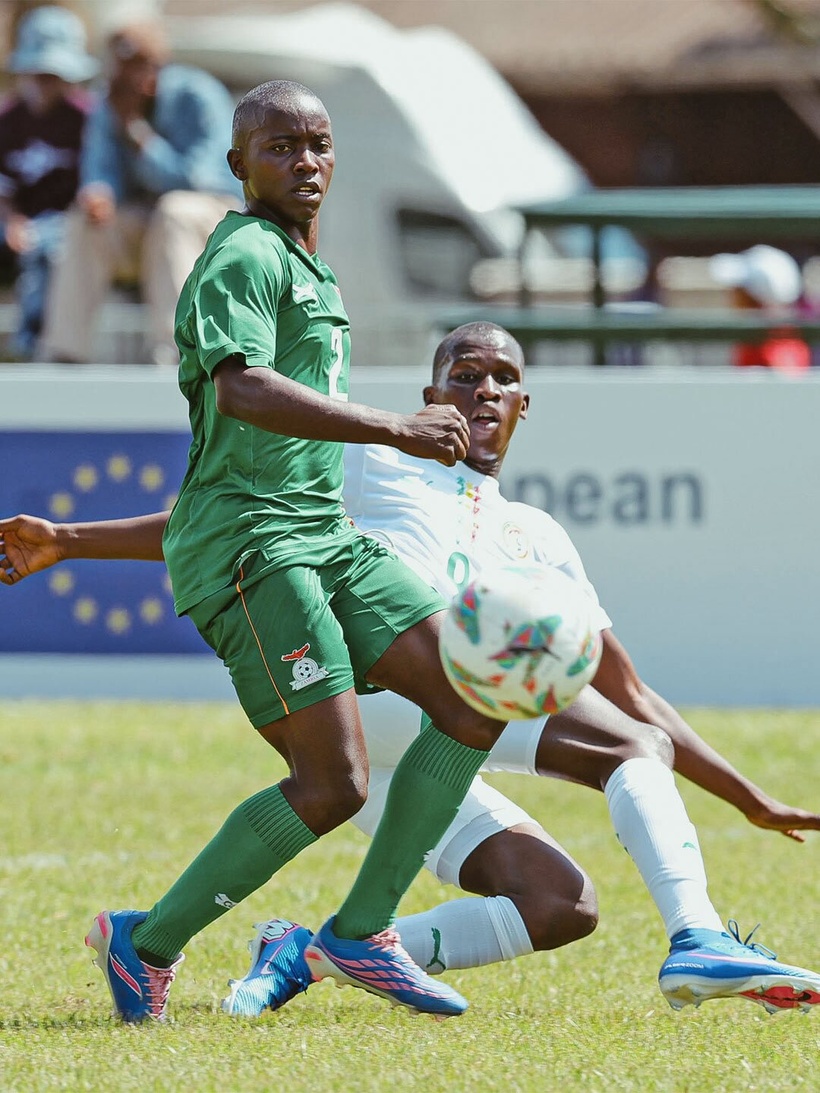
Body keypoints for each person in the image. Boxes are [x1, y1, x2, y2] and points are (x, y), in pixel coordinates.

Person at [4, 322, 820, 1020]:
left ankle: (309, 952)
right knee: (621, 748)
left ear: (526, 405)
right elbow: (219, 521)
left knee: (559, 904)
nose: (484, 391)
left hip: (421, 752)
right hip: (378, 696)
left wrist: (750, 799)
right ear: (432, 394)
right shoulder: (378, 460)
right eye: (464, 376)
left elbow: (633, 696)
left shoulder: (538, 535)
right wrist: (70, 540)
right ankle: (697, 937)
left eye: (504, 379)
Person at [11, 79, 528, 1026]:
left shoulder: (308, 266)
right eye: (282, 147)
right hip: (254, 549)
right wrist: (396, 428)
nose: (307, 163)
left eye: (319, 145)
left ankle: (361, 932)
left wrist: (70, 540)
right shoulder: (241, 253)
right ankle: (146, 941)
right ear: (236, 164)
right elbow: (243, 389)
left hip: (320, 536)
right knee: (334, 782)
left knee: (473, 693)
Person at [40, 19, 240, 366]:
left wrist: (137, 133)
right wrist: (99, 195)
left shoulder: (198, 95)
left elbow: (196, 178)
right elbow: (99, 170)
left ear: (157, 66)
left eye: (136, 66)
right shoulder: (109, 102)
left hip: (212, 220)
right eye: (121, 68)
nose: (126, 78)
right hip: (147, 223)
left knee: (174, 210)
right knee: (82, 222)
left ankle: (176, 354)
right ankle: (64, 354)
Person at [0, 6, 98, 360]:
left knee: (47, 248)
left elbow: (96, 186)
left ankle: (35, 348)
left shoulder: (88, 119)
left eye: (54, 75)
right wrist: (12, 221)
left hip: (66, 226)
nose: (46, 83)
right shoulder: (7, 120)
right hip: (16, 222)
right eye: (39, 74)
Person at [709, 244, 811, 372]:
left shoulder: (774, 350)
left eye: (739, 291)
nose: (732, 298)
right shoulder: (754, 340)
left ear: (752, 298)